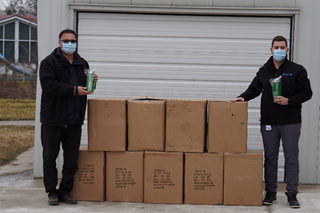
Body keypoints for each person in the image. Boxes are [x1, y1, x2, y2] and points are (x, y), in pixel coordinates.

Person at [230, 35, 312, 208]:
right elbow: (254, 89)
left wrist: (289, 100)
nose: (279, 50)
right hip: (269, 122)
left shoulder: (297, 70)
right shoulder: (264, 70)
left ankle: (291, 194)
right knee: (270, 157)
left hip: (291, 121)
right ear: (271, 49)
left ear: (287, 50)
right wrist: (242, 98)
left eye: (282, 47)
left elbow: (307, 92)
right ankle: (271, 192)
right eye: (276, 47)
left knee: (291, 157)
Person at [39, 28, 98, 206]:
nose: (70, 44)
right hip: (53, 119)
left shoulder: (82, 63)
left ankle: (65, 191)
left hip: (74, 119)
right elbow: (49, 85)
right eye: (66, 41)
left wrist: (92, 81)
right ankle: (52, 192)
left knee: (71, 158)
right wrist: (74, 90)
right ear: (59, 43)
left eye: (72, 41)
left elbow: (85, 88)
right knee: (50, 156)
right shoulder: (48, 62)